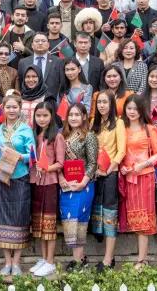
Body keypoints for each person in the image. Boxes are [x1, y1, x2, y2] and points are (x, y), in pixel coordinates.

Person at [0, 93, 36, 275]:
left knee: (19, 218)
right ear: (3, 108)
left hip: (20, 177)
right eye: (8, 107)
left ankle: (16, 262)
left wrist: (19, 156)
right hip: (3, 178)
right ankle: (7, 262)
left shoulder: (26, 129)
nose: (11, 110)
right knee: (3, 217)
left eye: (14, 107)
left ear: (20, 109)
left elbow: (33, 156)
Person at [59, 103, 99, 270]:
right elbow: (58, 161)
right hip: (66, 186)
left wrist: (83, 182)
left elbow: (92, 163)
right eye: (71, 115)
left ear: (84, 117)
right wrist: (61, 178)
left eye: (77, 115)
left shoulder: (89, 136)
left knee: (79, 220)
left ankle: (77, 261)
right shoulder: (62, 136)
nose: (73, 118)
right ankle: (80, 258)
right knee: (69, 221)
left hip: (84, 185)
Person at [89, 90, 125, 270]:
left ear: (111, 104)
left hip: (110, 173)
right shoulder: (93, 124)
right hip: (95, 174)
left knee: (110, 215)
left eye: (105, 102)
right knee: (97, 213)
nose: (102, 105)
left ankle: (108, 259)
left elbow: (121, 150)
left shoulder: (118, 123)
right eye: (99, 102)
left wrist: (109, 169)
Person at [28, 103, 64, 277]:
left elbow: (60, 163)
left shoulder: (57, 136)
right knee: (40, 223)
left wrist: (47, 168)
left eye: (45, 116)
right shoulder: (34, 135)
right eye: (38, 116)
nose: (41, 119)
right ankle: (43, 258)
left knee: (49, 223)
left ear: (51, 117)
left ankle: (50, 261)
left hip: (50, 182)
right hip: (36, 182)